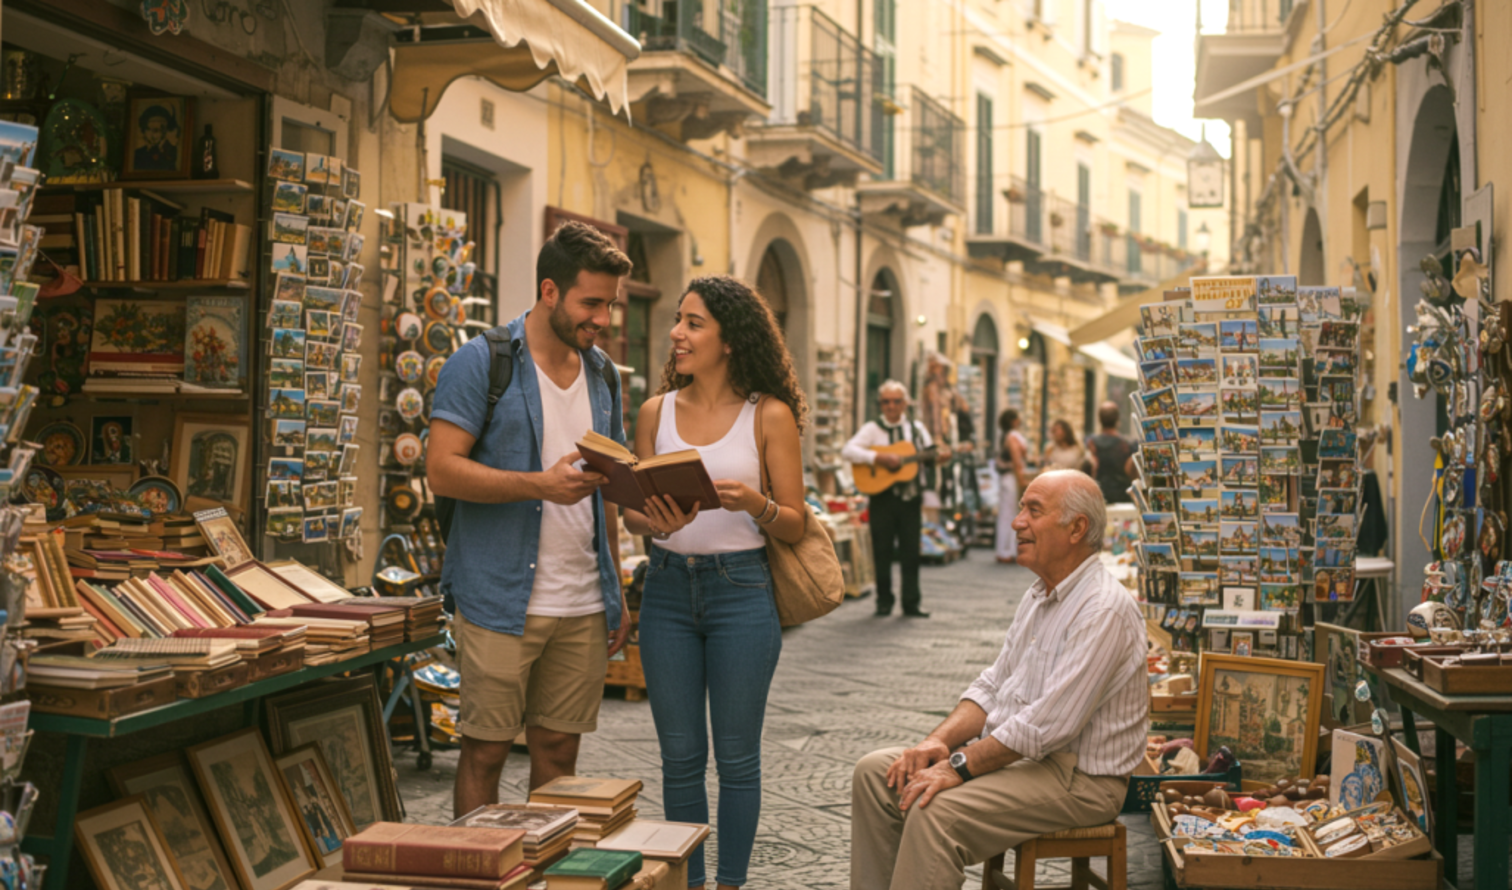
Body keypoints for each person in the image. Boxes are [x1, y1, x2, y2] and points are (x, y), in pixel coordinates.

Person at [849, 471, 1149, 890]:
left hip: (1080, 780)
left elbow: (1046, 726)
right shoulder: (1040, 593)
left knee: (935, 811)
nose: (1016, 522)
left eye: (1034, 511)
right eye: (1022, 507)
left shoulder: (1103, 609)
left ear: (1076, 528)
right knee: (876, 774)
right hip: (1029, 759)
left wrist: (960, 766)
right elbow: (992, 685)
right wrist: (937, 742)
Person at [428, 221, 633, 817]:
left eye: (611, 305)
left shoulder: (604, 375)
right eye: (591, 303)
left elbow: (610, 485)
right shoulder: (481, 362)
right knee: (486, 753)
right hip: (498, 595)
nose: (603, 319)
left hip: (582, 601)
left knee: (558, 755)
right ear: (550, 291)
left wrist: (615, 584)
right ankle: (477, 878)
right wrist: (540, 485)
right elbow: (441, 471)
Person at [618, 276, 808, 890]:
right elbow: (633, 513)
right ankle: (688, 885)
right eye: (678, 320)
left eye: (693, 323)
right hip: (668, 590)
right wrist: (655, 519)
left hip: (742, 594)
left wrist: (757, 504)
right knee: (679, 759)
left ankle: (729, 884)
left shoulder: (768, 416)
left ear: (729, 339)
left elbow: (797, 522)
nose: (677, 333)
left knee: (737, 760)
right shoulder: (655, 411)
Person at [842, 382, 949, 617]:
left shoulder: (917, 429)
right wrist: (878, 458)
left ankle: (911, 602)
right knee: (882, 551)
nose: (891, 406)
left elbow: (930, 455)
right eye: (886, 402)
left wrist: (940, 458)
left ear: (905, 404)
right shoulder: (872, 428)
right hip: (882, 498)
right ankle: (884, 601)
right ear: (880, 404)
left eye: (896, 401)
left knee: (911, 551)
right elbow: (848, 450)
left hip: (910, 499)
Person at [993, 409, 1029, 564]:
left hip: (1008, 478)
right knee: (1009, 513)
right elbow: (1017, 461)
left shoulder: (1008, 436)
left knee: (1009, 513)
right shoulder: (1012, 437)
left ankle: (1007, 549)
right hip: (1011, 478)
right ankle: (1006, 551)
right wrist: (1021, 481)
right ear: (1014, 420)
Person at [1087, 401, 1135, 504]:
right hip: (1124, 497)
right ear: (1118, 419)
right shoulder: (1126, 445)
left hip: (1100, 496)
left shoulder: (1092, 443)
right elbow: (1130, 471)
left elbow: (1092, 469)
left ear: (1100, 420)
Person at [133, 104, 180, 171]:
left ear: (165, 130)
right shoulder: (137, 155)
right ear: (143, 130)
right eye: (149, 129)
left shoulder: (174, 152)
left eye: (157, 130)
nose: (153, 135)